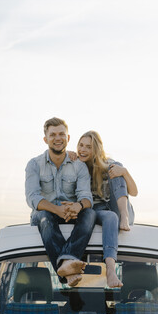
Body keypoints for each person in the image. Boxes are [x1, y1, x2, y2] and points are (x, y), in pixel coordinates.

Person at [25, 118, 96, 287]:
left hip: (72, 213)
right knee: (43, 215)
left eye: (61, 134)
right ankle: (68, 267)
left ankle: (66, 263)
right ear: (45, 139)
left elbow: (87, 197)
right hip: (44, 215)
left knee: (90, 213)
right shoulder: (34, 164)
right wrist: (56, 210)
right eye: (53, 135)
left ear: (68, 138)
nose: (58, 138)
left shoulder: (78, 165)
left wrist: (78, 206)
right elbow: (32, 197)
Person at [76, 131, 138, 288]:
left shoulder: (109, 164)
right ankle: (110, 270)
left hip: (117, 208)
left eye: (88, 147)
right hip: (95, 211)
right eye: (81, 145)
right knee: (111, 218)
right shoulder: (76, 165)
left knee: (116, 168)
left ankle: (124, 216)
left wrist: (124, 172)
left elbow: (134, 192)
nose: (82, 150)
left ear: (96, 150)